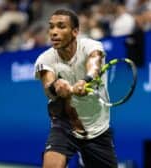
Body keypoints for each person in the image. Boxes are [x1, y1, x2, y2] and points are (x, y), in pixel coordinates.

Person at [34, 9, 118, 168]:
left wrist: (85, 80)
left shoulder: (92, 46)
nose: (54, 32)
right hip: (64, 124)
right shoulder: (45, 59)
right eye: (51, 27)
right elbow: (48, 84)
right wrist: (57, 87)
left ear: (75, 31)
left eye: (61, 26)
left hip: (98, 129)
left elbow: (94, 64)